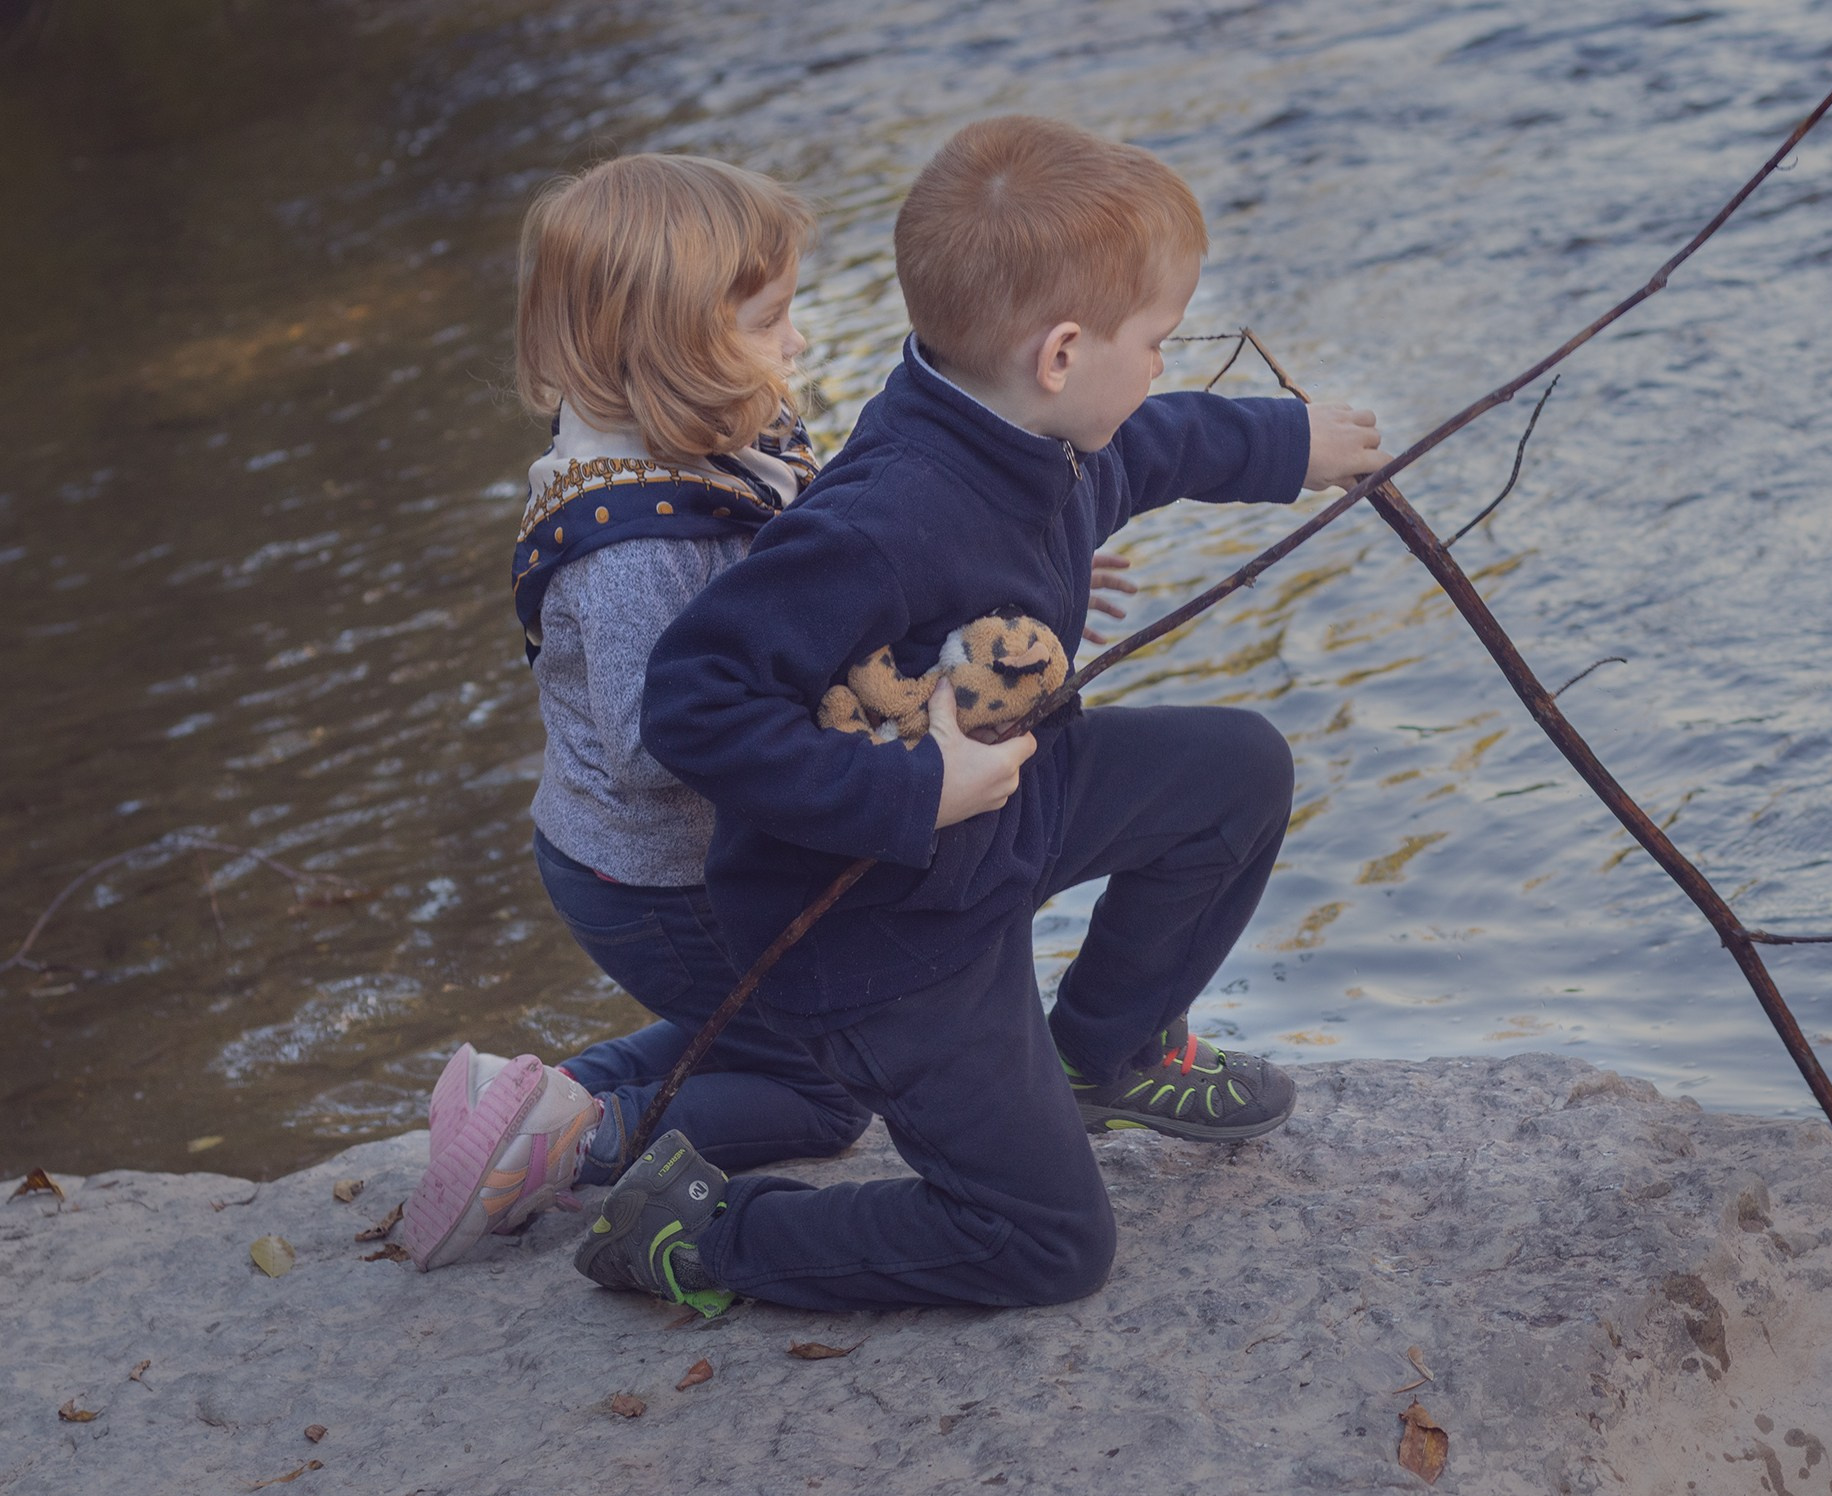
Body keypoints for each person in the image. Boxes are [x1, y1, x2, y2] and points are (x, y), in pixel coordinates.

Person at [578, 116, 1390, 1317]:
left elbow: (1145, 451)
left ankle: (1099, 1055)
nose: (1163, 367)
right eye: (1158, 343)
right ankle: (708, 1232)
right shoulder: (887, 516)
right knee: (1047, 1245)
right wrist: (915, 791)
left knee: (1237, 772)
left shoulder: (1021, 425)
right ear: (1062, 352)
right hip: (889, 925)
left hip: (999, 817)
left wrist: (1288, 444)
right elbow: (694, 699)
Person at [400, 152, 1139, 1273]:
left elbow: (847, 560)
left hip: (671, 856)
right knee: (825, 1084)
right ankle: (578, 1139)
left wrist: (1011, 564)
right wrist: (903, 778)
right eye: (770, 319)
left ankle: (536, 1097)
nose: (796, 342)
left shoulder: (705, 440)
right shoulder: (637, 541)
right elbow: (663, 747)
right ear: (668, 343)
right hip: (660, 875)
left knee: (755, 1037)